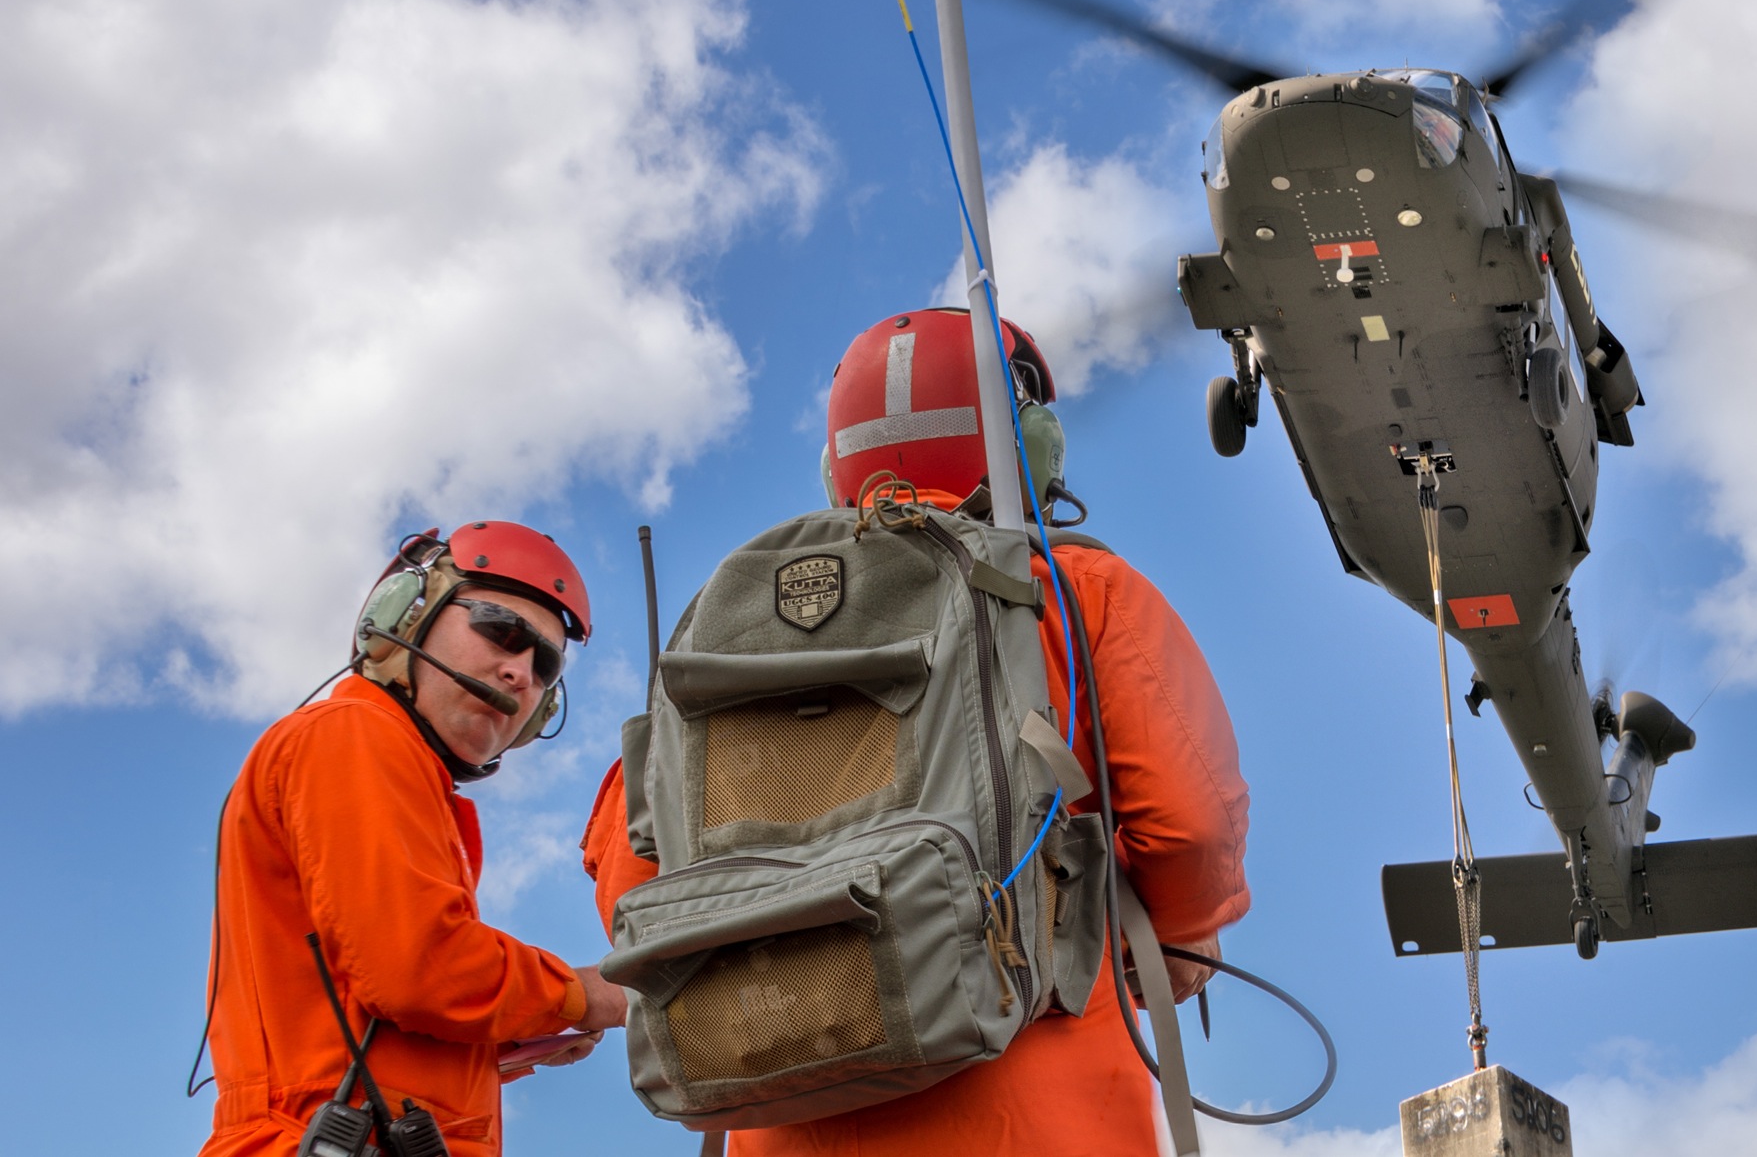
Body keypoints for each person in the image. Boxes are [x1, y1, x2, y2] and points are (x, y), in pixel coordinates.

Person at [581, 308, 1252, 1156]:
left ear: (837, 462)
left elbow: (631, 878)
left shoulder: (721, 628)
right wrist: (1187, 936)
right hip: (1041, 1115)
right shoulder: (1077, 588)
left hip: (790, 1116)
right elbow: (1189, 817)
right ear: (1027, 437)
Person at [196, 521, 629, 1157]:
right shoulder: (356, 733)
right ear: (404, 620)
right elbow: (418, 968)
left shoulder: (396, 768)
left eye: (544, 666)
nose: (520, 675)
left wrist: (511, 1036)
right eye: (500, 633)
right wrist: (582, 993)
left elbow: (367, 1007)